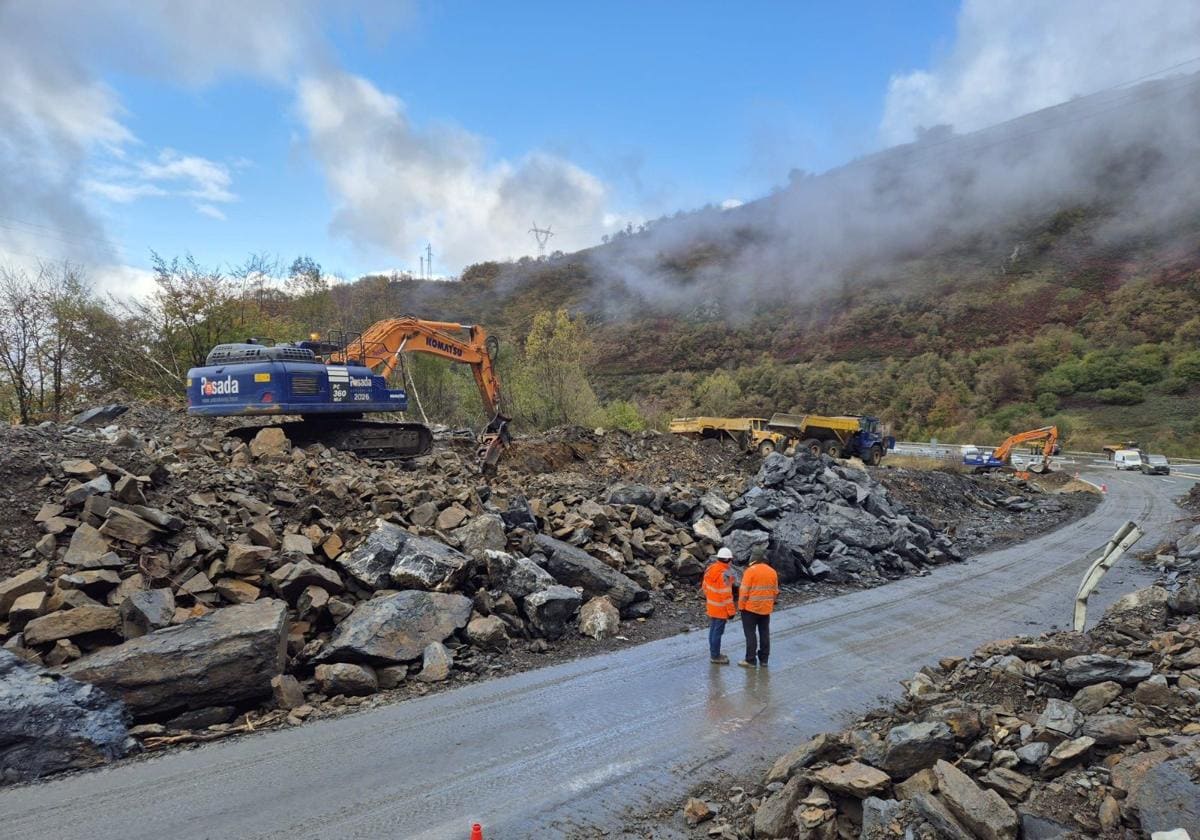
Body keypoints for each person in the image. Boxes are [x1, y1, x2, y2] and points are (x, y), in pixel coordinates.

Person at [737, 544, 779, 668]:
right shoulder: (772, 572)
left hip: (750, 609)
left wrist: (741, 606)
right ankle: (764, 660)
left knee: (750, 634)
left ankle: (750, 660)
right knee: (764, 633)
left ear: (753, 559)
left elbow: (744, 592)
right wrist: (770, 604)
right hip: (766, 609)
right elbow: (775, 591)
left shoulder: (750, 571)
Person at [702, 547, 738, 664]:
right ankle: (715, 656)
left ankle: (714, 653)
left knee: (713, 630)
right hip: (721, 608)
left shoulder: (710, 569)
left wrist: (711, 598)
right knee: (717, 632)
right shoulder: (725, 574)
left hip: (712, 605)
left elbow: (705, 587)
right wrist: (731, 612)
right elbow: (726, 595)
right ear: (728, 560)